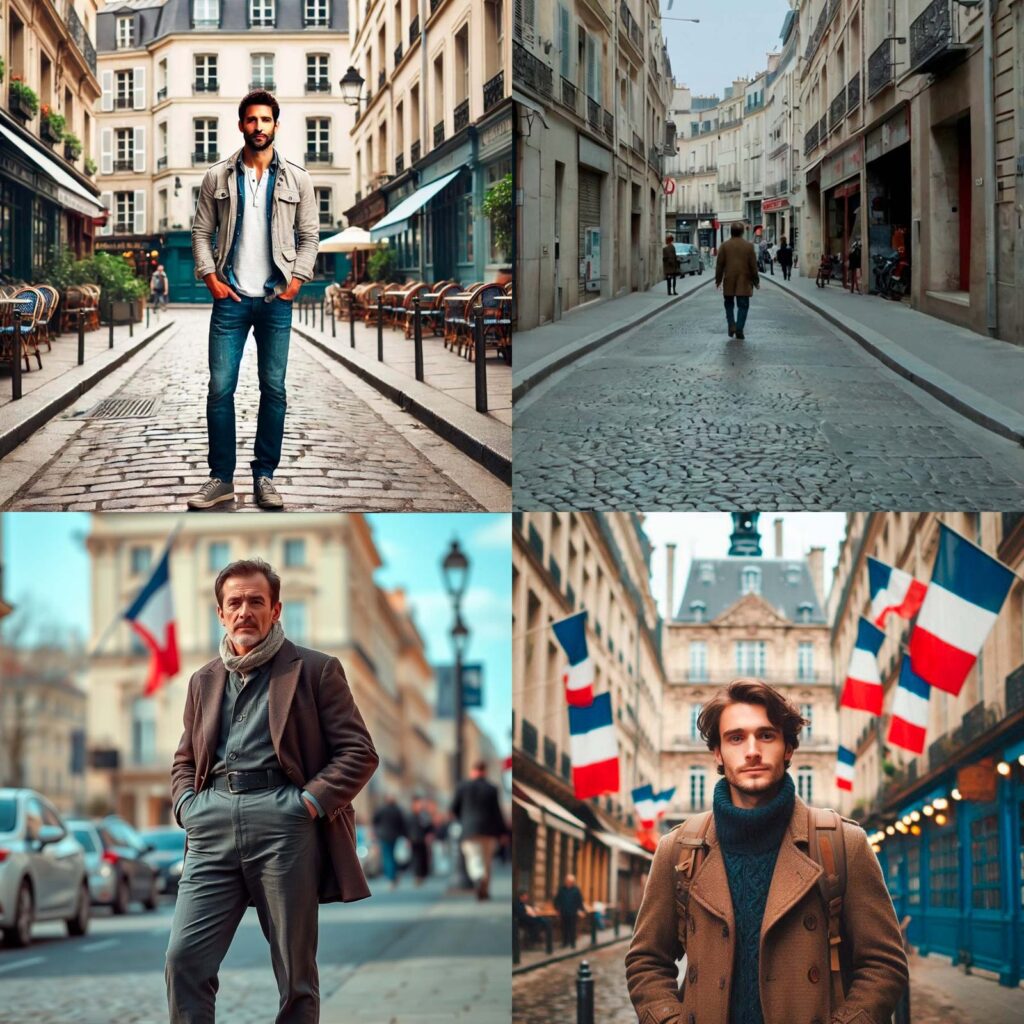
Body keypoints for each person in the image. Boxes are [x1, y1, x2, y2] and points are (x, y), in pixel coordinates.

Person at [166, 558, 379, 1024]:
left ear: (276, 609)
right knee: (184, 959)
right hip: (210, 824)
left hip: (284, 824)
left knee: (295, 975)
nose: (245, 610)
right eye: (235, 602)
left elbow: (359, 751)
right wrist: (187, 805)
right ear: (220, 613)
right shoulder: (203, 680)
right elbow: (184, 758)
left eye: (256, 601)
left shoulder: (316, 670)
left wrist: (307, 803)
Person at [626, 678, 909, 1024]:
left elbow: (885, 963)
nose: (752, 751)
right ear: (717, 752)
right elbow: (646, 960)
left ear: (788, 748)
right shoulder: (679, 850)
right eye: (735, 737)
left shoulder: (842, 844)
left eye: (766, 735)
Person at [188, 89, 320, 512]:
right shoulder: (218, 176)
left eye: (265, 120)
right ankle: (221, 479)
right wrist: (209, 277)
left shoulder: (297, 178)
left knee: (274, 389)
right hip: (230, 297)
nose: (258, 127)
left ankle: (265, 477)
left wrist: (296, 281)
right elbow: (201, 232)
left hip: (275, 299)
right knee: (219, 389)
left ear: (275, 125)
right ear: (241, 124)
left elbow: (310, 236)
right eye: (251, 120)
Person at [452, 760, 506, 900]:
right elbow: (497, 812)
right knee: (487, 861)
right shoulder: (492, 788)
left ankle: (478, 878)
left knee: (474, 858)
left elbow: (454, 809)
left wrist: (462, 820)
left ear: (472, 770)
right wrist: (503, 832)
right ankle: (485, 889)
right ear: (485, 771)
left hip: (469, 831)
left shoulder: (463, 787)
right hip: (489, 832)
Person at [715, 223, 760, 340]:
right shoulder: (749, 246)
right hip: (744, 281)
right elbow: (753, 266)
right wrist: (756, 281)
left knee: (729, 304)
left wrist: (718, 280)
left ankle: (731, 325)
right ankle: (739, 328)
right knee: (743, 306)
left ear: (731, 232)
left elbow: (719, 265)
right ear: (742, 232)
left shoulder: (724, 246)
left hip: (729, 280)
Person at [372, 795, 407, 890]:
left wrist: (375, 833)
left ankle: (391, 877)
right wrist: (405, 835)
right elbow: (402, 823)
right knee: (392, 856)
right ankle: (393, 875)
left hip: (383, 836)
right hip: (394, 836)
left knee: (387, 857)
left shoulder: (381, 809)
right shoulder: (397, 810)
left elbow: (375, 821)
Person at [407, 795, 435, 886]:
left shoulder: (424, 815)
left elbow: (429, 826)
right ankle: (417, 876)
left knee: (423, 858)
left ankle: (422, 875)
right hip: (414, 839)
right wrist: (407, 839)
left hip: (422, 840)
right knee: (416, 859)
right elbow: (406, 828)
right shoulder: (410, 816)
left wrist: (429, 835)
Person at [553, 873, 585, 949]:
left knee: (572, 928)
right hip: (564, 912)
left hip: (573, 912)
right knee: (564, 928)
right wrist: (557, 909)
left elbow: (579, 901)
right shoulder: (562, 889)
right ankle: (565, 942)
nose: (568, 882)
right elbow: (557, 900)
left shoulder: (576, 890)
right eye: (567, 881)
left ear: (573, 882)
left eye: (570, 881)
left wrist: (581, 910)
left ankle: (572, 943)